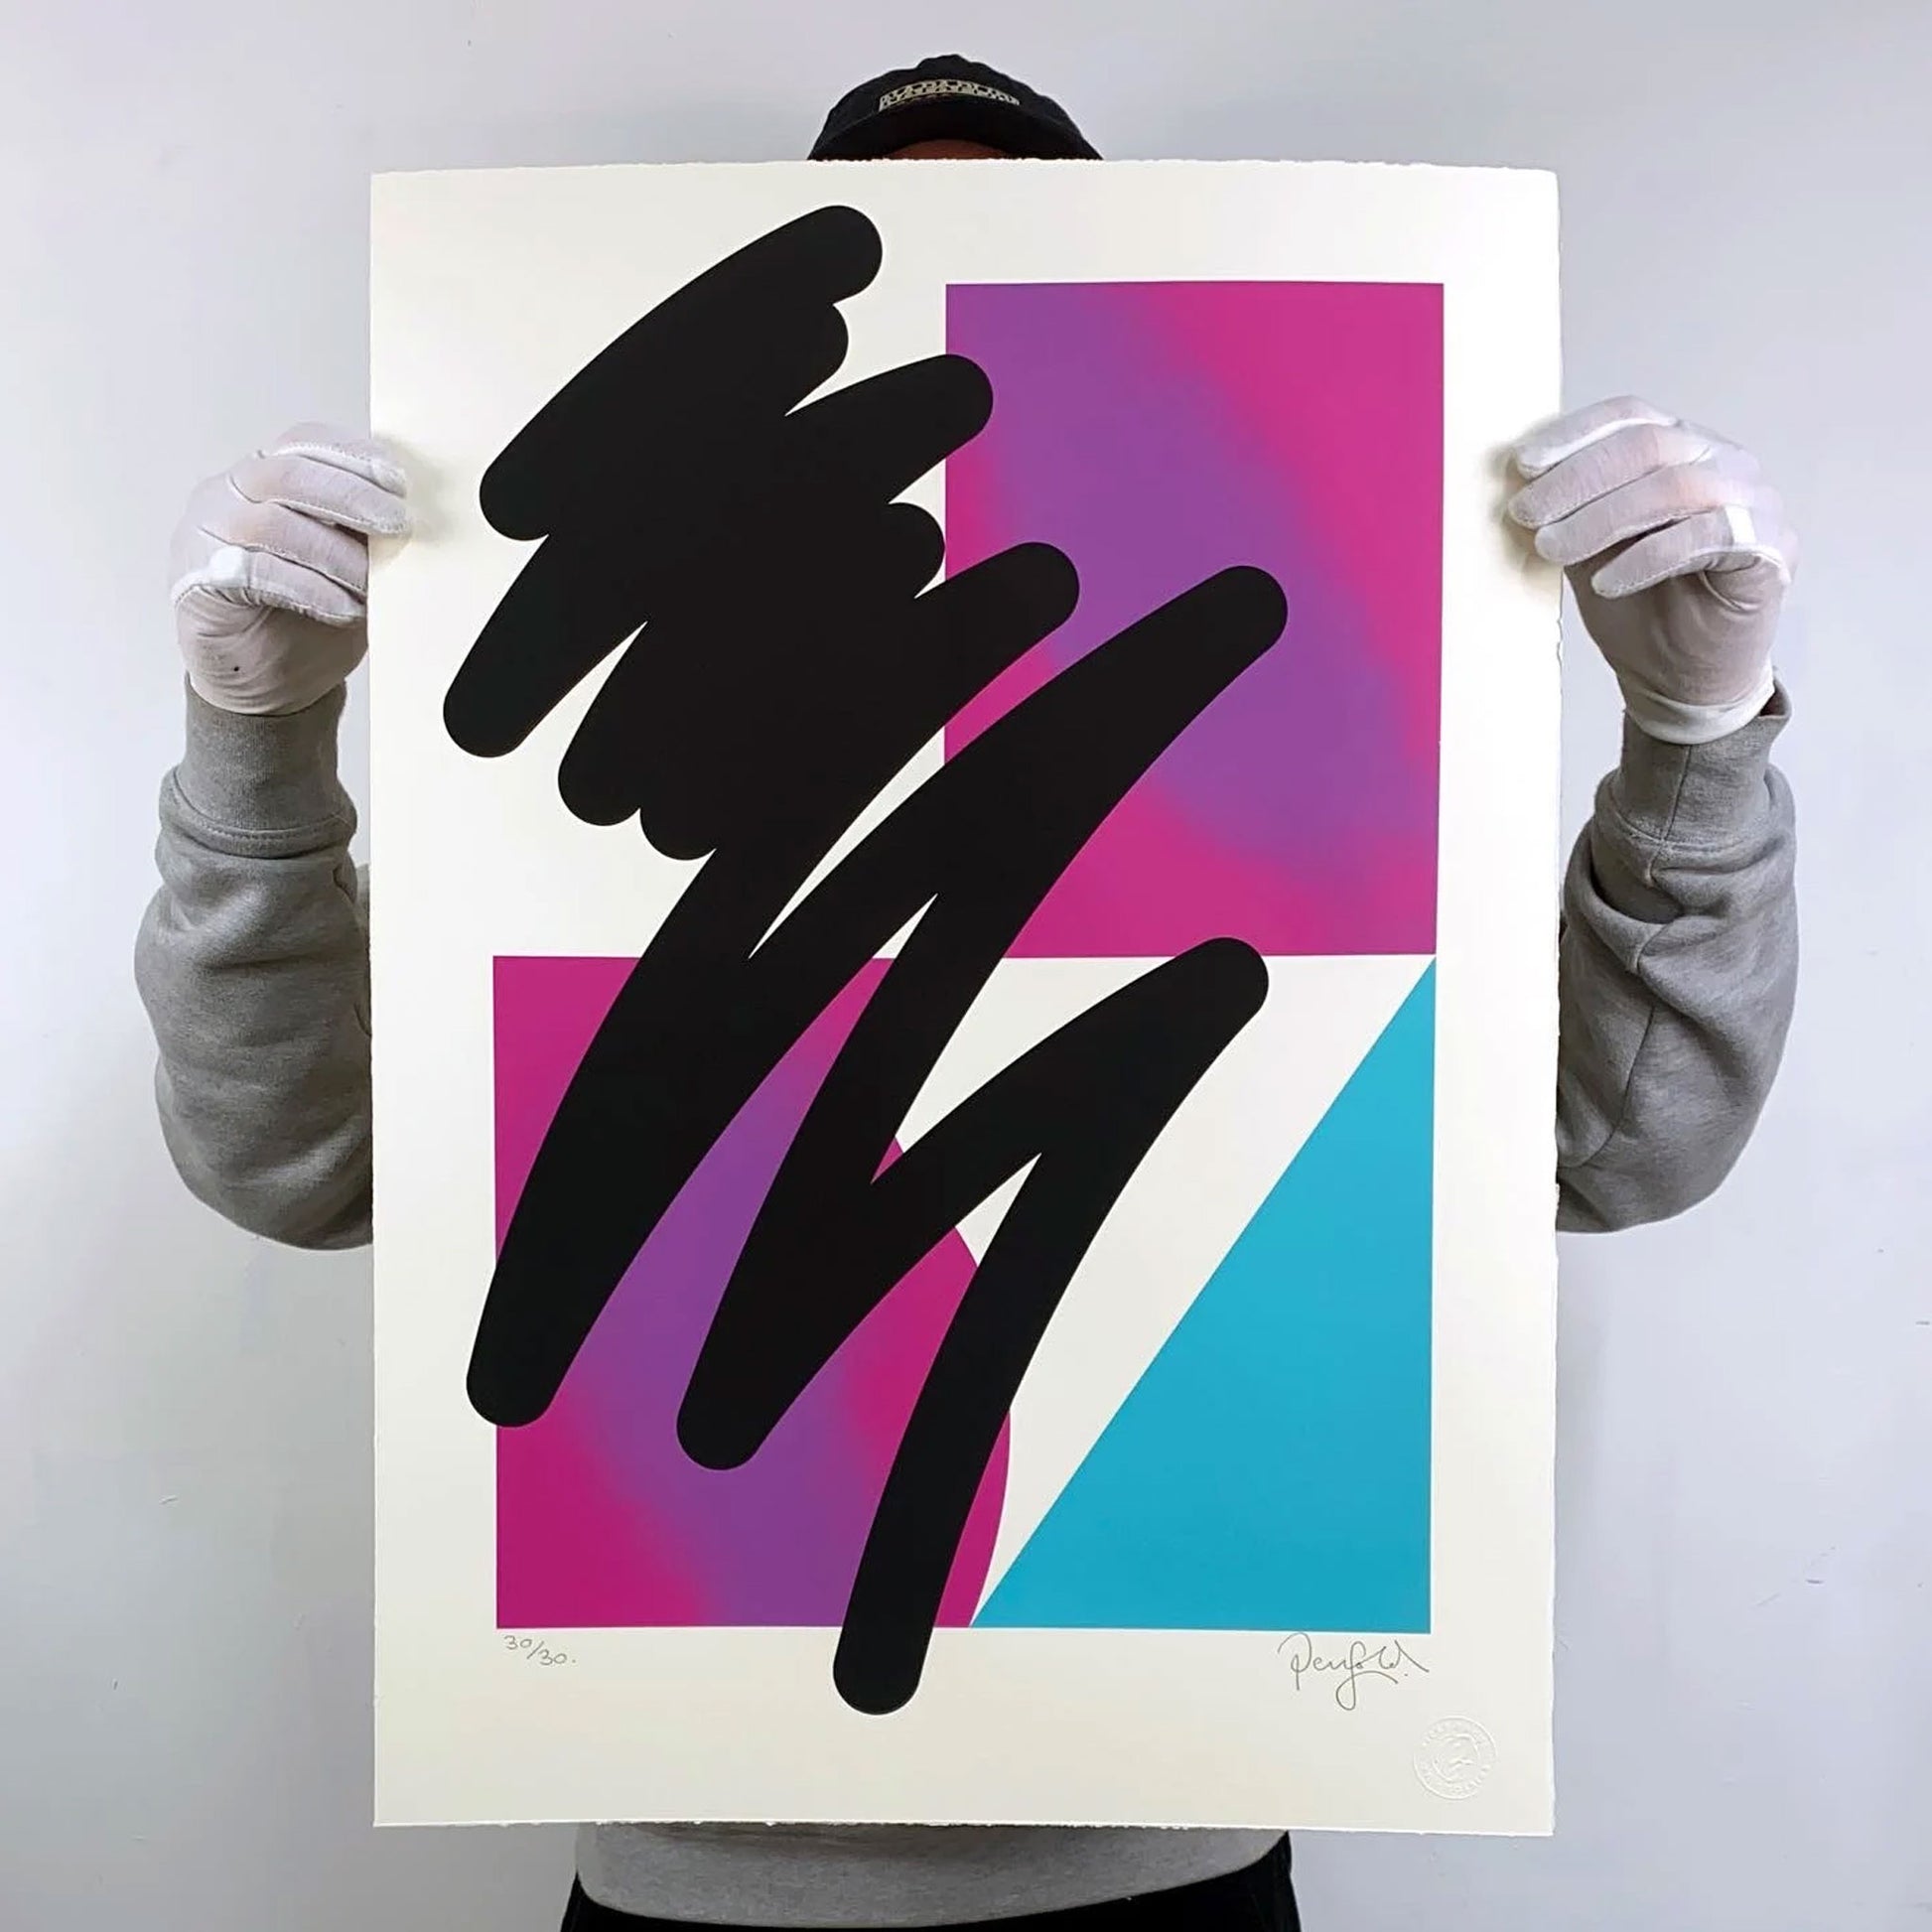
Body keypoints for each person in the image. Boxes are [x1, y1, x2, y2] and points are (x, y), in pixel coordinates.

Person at [134, 53, 1799, 1932]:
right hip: (681, 1883)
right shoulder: (588, 824)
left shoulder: (1281, 755)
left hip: (1174, 1870)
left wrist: (1695, 734)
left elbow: (1617, 1151)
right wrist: (254, 740)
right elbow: (294, 1167)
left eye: (1008, 240)